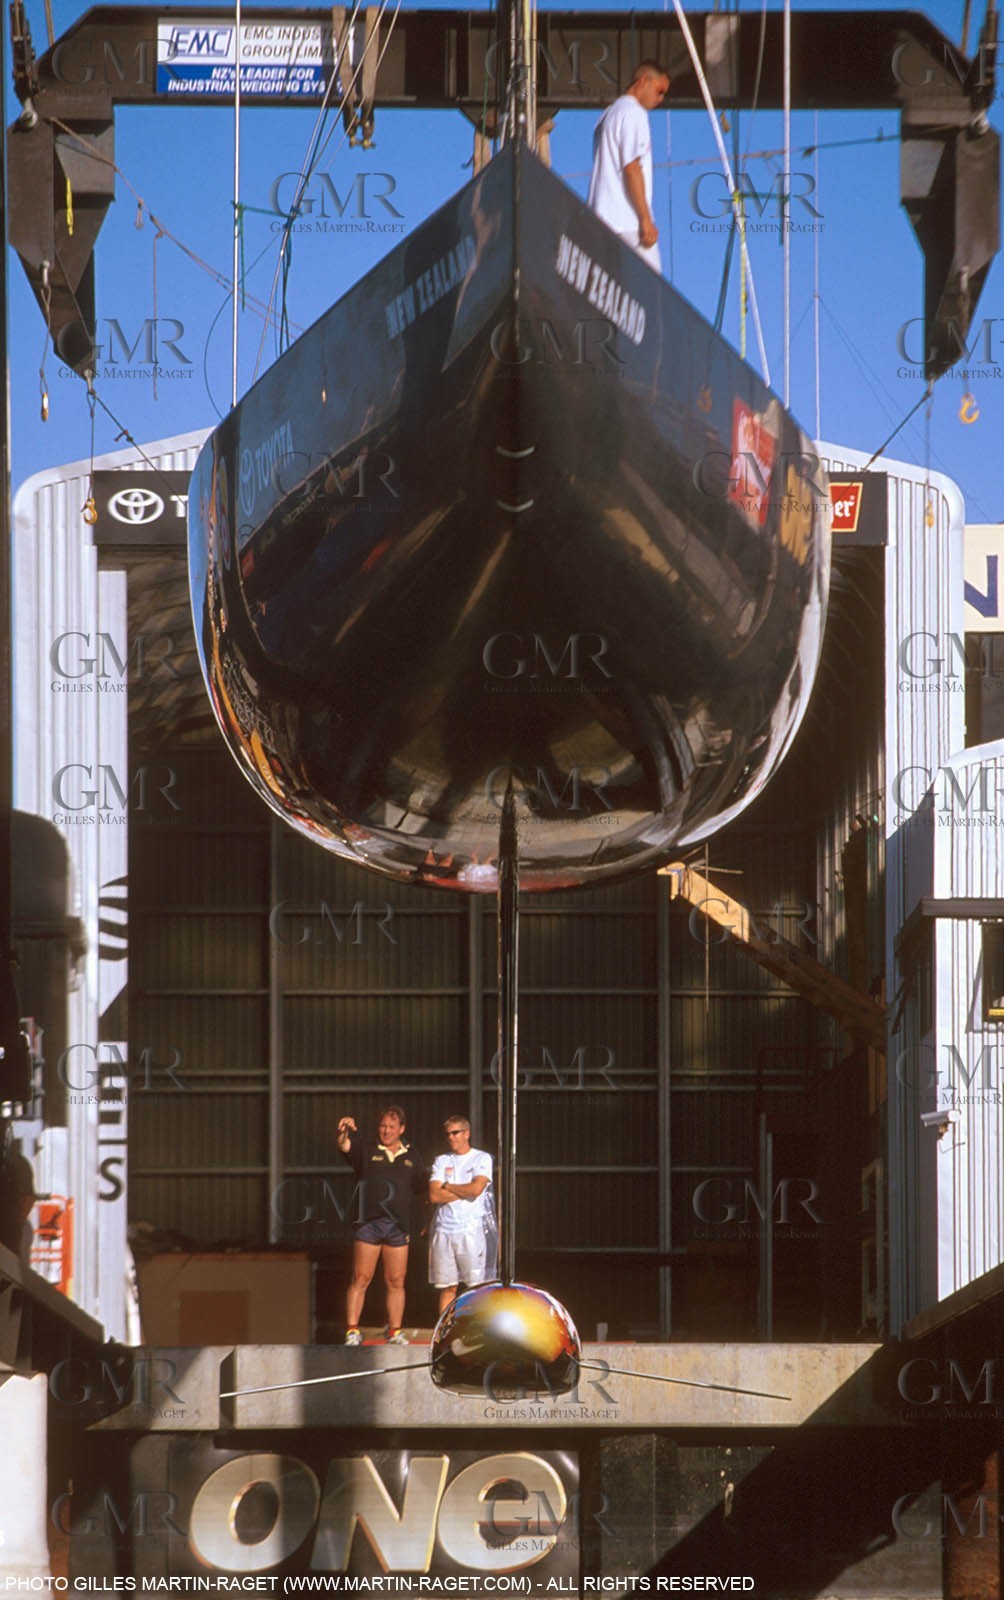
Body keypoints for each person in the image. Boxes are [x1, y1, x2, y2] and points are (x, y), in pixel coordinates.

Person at [337, 1105, 427, 1346]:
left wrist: (426, 1220)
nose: (386, 1131)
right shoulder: (366, 1149)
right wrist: (344, 1131)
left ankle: (395, 1331)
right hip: (369, 1223)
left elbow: (422, 1189)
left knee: (396, 1280)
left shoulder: (413, 1156)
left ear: (402, 1129)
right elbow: (344, 1146)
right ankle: (352, 1330)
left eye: (391, 1127)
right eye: (383, 1126)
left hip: (398, 1227)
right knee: (361, 1277)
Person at [587, 61, 671, 272]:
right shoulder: (634, 113)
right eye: (659, 91)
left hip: (600, 224)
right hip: (629, 223)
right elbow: (632, 167)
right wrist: (645, 219)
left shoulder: (607, 115)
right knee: (652, 296)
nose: (660, 99)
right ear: (643, 82)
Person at [428, 1117, 498, 1315]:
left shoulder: (482, 1158)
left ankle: (476, 1330)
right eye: (448, 1134)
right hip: (444, 1231)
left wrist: (448, 1186)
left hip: (470, 1231)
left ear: (467, 1133)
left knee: (475, 1288)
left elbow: (476, 1189)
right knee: (447, 1287)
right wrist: (463, 1190)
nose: (451, 1137)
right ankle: (444, 1331)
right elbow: (434, 1195)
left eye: (455, 1132)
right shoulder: (442, 1160)